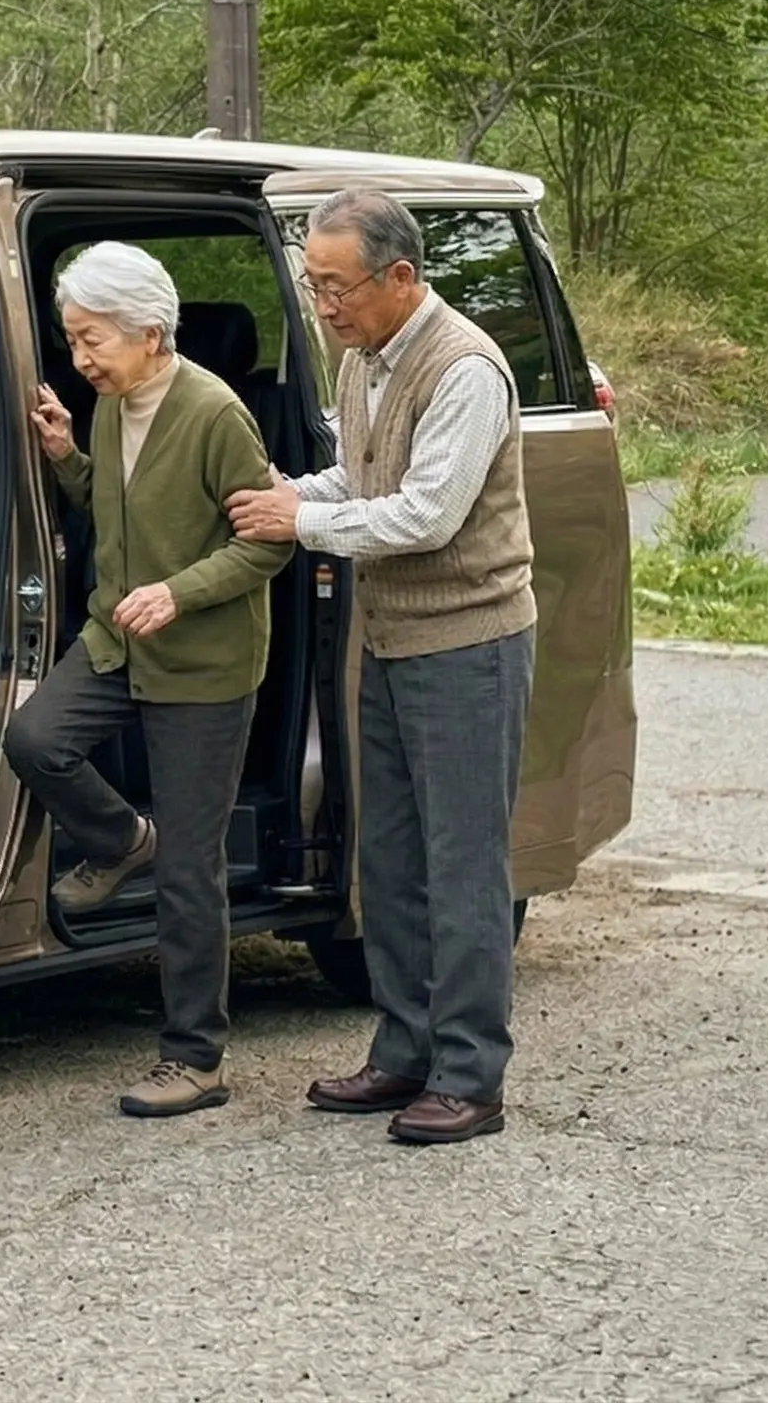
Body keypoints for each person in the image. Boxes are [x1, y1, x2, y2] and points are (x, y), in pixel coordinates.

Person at [226, 188, 536, 1147]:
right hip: (393, 638)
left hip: (469, 644)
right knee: (389, 858)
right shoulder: (364, 359)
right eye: (313, 285)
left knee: (463, 864)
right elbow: (366, 481)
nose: (322, 305)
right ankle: (404, 1049)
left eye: (334, 286)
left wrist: (302, 523)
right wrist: (284, 490)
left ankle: (470, 1075)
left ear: (400, 276)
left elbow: (426, 515)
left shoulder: (465, 368)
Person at [6, 242, 292, 1119]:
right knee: (34, 739)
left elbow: (270, 541)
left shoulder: (214, 413)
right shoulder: (107, 403)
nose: (80, 358)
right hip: (116, 636)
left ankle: (194, 1058)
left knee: (191, 871)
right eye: (74, 339)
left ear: (152, 334)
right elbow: (121, 509)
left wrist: (177, 593)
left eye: (92, 340)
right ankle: (125, 837)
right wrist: (65, 459)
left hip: (202, 661)